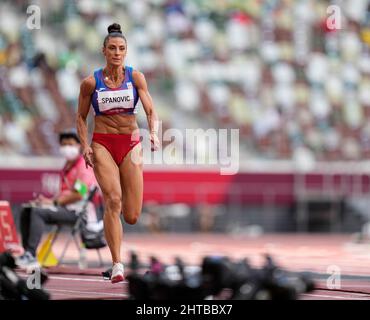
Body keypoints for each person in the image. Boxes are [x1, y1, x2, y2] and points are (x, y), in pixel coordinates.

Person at [76, 23, 160, 283]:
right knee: (113, 199)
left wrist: (154, 133)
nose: (117, 53)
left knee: (132, 215)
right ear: (104, 51)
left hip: (131, 143)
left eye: (121, 49)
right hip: (103, 144)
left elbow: (150, 111)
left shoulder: (136, 78)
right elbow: (80, 117)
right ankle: (117, 264)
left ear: (126, 51)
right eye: (112, 48)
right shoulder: (91, 82)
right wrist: (85, 145)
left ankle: (115, 236)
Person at [17, 129, 99, 269]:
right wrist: (46, 201)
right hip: (64, 208)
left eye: (70, 144)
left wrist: (53, 203)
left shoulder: (83, 166)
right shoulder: (67, 166)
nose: (67, 148)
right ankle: (28, 253)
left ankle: (30, 254)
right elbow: (65, 193)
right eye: (64, 144)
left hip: (79, 213)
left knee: (37, 212)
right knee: (28, 209)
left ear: (79, 146)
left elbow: (79, 194)